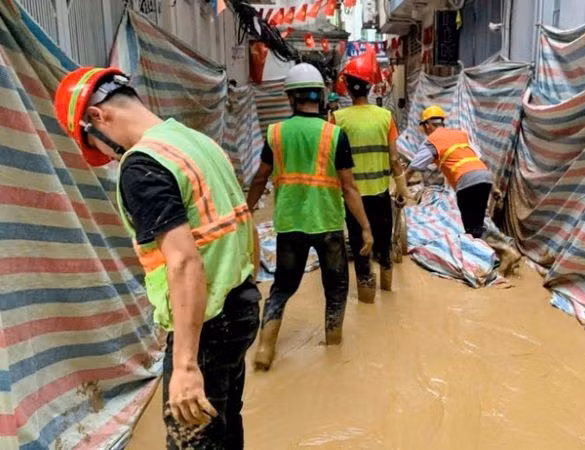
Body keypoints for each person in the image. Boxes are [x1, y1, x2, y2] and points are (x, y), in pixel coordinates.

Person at [54, 67, 260, 449]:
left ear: (97, 118)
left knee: (193, 436)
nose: (105, 155)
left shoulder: (143, 165)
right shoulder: (193, 141)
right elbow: (241, 224)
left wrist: (184, 365)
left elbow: (183, 261)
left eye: (92, 143)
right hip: (242, 306)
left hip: (208, 324)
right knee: (226, 428)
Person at [246, 63, 373, 371]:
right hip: (327, 224)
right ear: (320, 96)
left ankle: (265, 348)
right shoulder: (335, 135)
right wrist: (365, 228)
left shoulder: (275, 133)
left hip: (290, 225)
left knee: (282, 287)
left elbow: (260, 178)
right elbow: (349, 188)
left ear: (290, 97)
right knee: (336, 287)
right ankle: (332, 347)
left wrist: (245, 212)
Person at [331, 52, 412, 303]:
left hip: (352, 197)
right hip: (379, 194)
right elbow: (395, 158)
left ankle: (367, 300)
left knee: (360, 247)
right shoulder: (385, 116)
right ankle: (387, 293)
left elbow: (332, 160)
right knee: (384, 245)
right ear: (369, 86)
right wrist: (402, 188)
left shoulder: (337, 119)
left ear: (347, 88)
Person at [405, 105, 521, 273]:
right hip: (484, 178)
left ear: (428, 125)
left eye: (423, 127)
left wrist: (400, 188)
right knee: (478, 225)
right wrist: (494, 188)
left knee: (472, 231)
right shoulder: (460, 135)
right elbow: (478, 160)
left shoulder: (432, 140)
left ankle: (506, 252)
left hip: (466, 183)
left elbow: (412, 168)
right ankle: (501, 257)